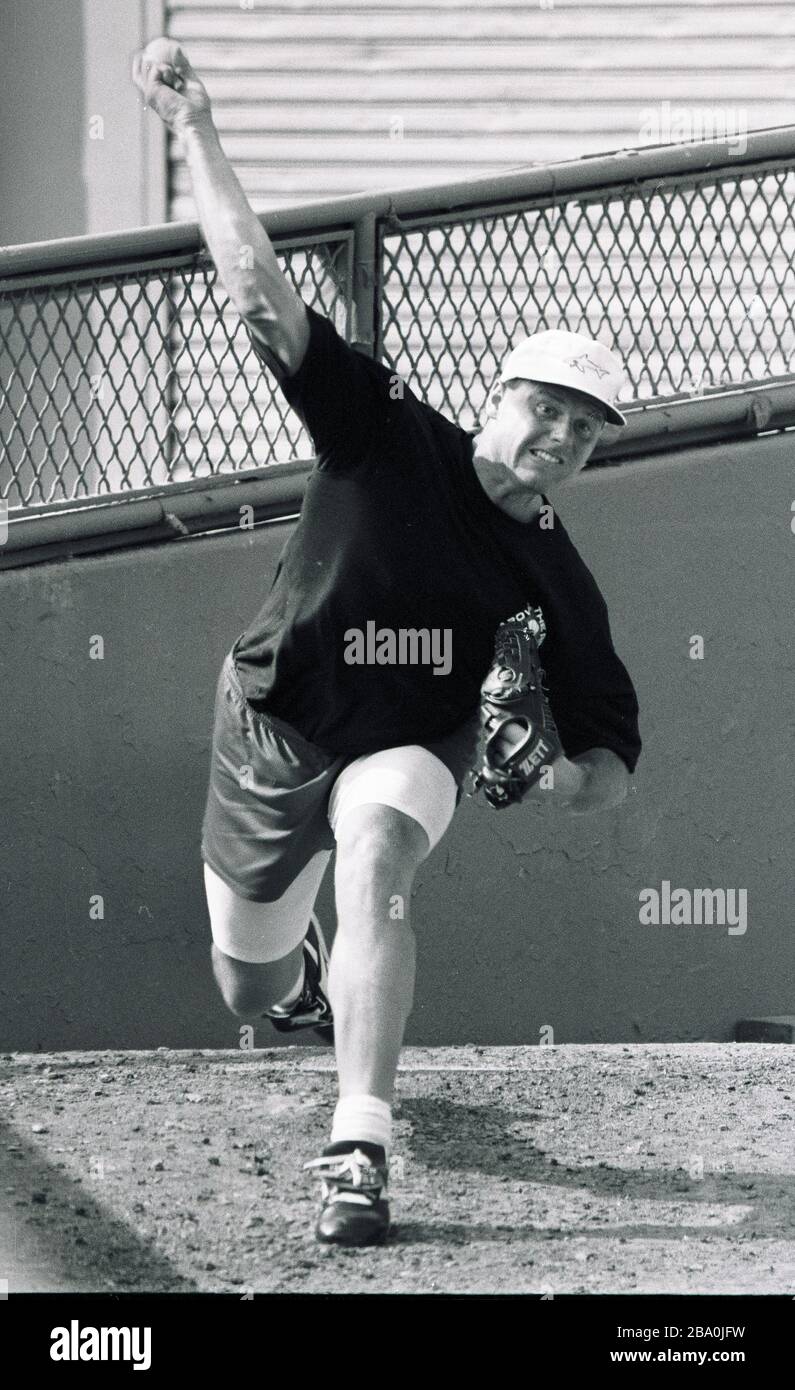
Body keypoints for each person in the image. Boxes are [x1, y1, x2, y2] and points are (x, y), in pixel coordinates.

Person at [133, 39, 642, 1248]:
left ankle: (357, 1147)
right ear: (499, 396)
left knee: (376, 857)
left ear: (596, 451)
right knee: (245, 985)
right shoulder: (386, 433)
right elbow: (259, 297)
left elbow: (612, 765)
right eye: (543, 408)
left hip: (405, 750)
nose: (558, 435)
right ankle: (301, 985)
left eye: (585, 428)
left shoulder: (557, 577)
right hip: (273, 720)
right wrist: (198, 129)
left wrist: (558, 774)